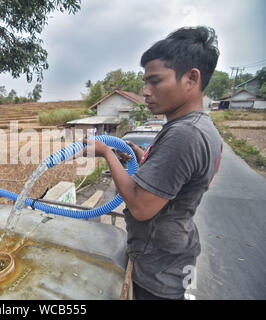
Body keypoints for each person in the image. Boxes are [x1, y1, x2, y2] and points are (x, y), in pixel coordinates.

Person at [83, 26, 223, 300]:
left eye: (155, 81)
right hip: (176, 255)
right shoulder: (199, 127)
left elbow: (141, 206)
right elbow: (176, 181)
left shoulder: (185, 134)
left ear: (191, 78)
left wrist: (107, 153)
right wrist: (137, 155)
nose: (146, 91)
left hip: (159, 274)